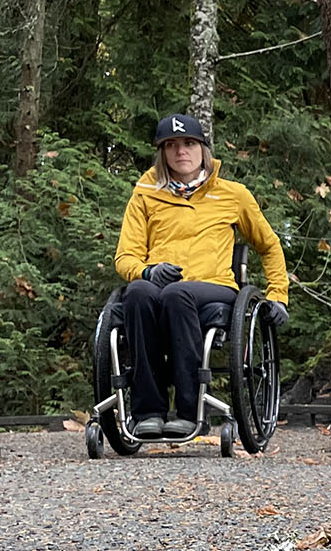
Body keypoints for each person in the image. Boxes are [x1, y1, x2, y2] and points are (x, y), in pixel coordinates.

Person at [113, 114, 290, 438]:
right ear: (163, 153)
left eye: (189, 143)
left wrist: (278, 294)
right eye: (172, 145)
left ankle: (189, 410)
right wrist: (147, 271)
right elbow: (125, 256)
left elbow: (269, 245)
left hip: (215, 288)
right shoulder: (146, 193)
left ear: (203, 148)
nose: (181, 151)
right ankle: (148, 412)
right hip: (160, 286)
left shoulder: (232, 194)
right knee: (137, 293)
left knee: (176, 295)